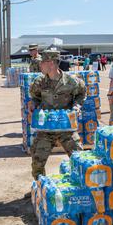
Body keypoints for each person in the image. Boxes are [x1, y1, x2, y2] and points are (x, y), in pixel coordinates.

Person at [28, 50, 86, 183]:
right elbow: (35, 97)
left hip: (66, 127)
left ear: (51, 63)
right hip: (46, 128)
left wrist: (77, 106)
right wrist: (33, 105)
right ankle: (40, 186)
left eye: (42, 62)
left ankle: (82, 186)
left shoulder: (71, 81)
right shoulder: (39, 82)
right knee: (37, 161)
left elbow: (81, 93)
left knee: (79, 158)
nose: (40, 65)